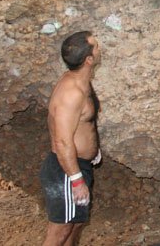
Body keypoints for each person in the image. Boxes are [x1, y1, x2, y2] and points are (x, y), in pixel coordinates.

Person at [40, 31, 104, 246]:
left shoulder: (81, 80)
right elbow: (62, 141)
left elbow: (83, 122)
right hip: (66, 171)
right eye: (96, 46)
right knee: (61, 231)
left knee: (75, 224)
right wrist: (76, 181)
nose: (100, 48)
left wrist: (93, 148)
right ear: (89, 59)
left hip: (79, 165)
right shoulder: (72, 93)